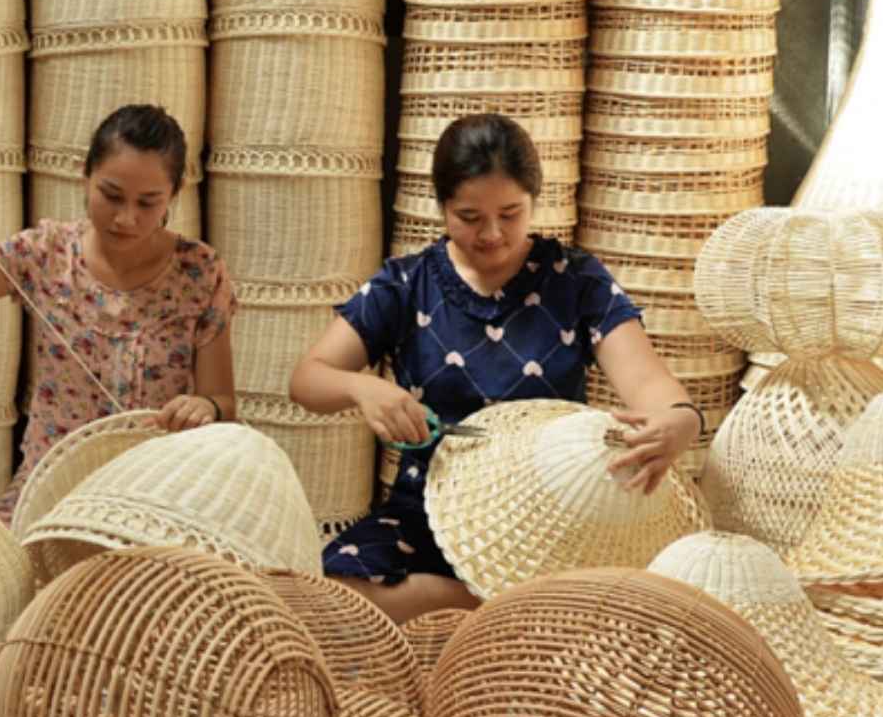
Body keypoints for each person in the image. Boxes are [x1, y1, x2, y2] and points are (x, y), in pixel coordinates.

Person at [288, 113, 705, 624]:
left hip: (549, 522)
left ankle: (504, 610)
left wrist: (681, 418)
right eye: (469, 216)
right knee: (332, 594)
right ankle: (503, 611)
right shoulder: (405, 283)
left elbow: (645, 380)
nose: (491, 234)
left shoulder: (575, 280)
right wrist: (361, 388)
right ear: (441, 206)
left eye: (511, 213)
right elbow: (307, 380)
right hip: (426, 510)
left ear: (534, 199)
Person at [0, 104, 235, 517]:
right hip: (53, 487)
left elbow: (221, 400)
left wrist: (206, 408)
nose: (126, 218)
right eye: (110, 195)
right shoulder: (45, 254)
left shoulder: (199, 272)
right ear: (85, 176)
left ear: (174, 195)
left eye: (148, 202)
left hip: (156, 490)